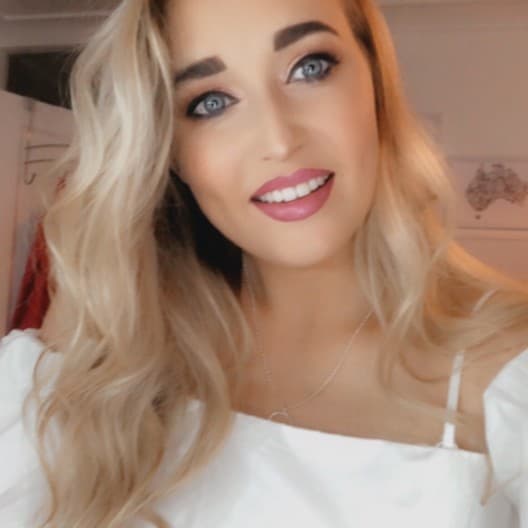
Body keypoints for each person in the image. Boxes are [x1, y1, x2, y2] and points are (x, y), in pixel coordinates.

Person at [1, 0, 528, 526]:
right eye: (210, 102)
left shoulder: (506, 369)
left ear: (376, 84)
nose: (279, 141)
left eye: (310, 68)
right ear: (170, 150)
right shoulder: (116, 353)